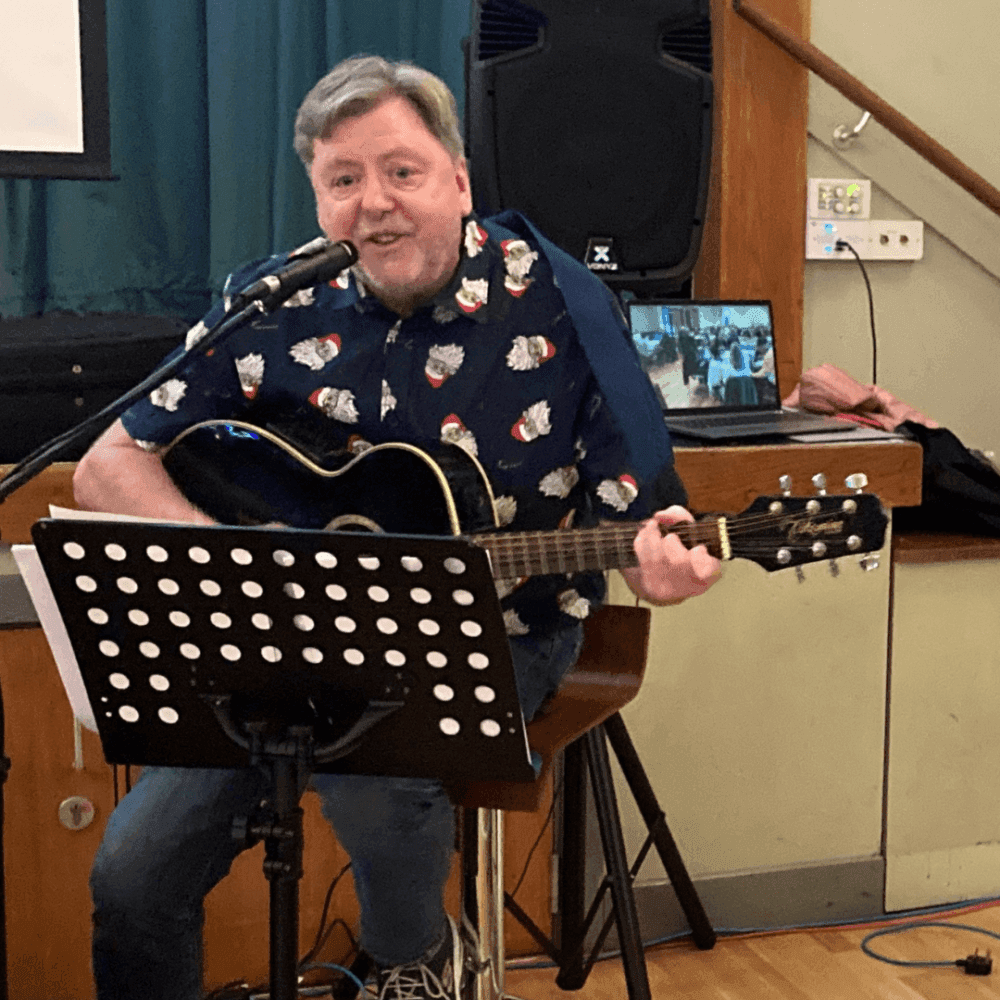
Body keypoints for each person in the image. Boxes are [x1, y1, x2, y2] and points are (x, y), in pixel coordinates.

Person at [73, 55, 722, 1000]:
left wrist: (660, 564)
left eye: (401, 171)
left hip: (502, 629)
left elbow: (641, 513)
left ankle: (415, 959)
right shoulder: (271, 302)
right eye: (343, 181)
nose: (373, 203)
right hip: (276, 642)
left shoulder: (564, 304)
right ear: (318, 198)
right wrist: (252, 565)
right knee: (132, 876)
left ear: (459, 180)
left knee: (374, 776)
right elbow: (106, 466)